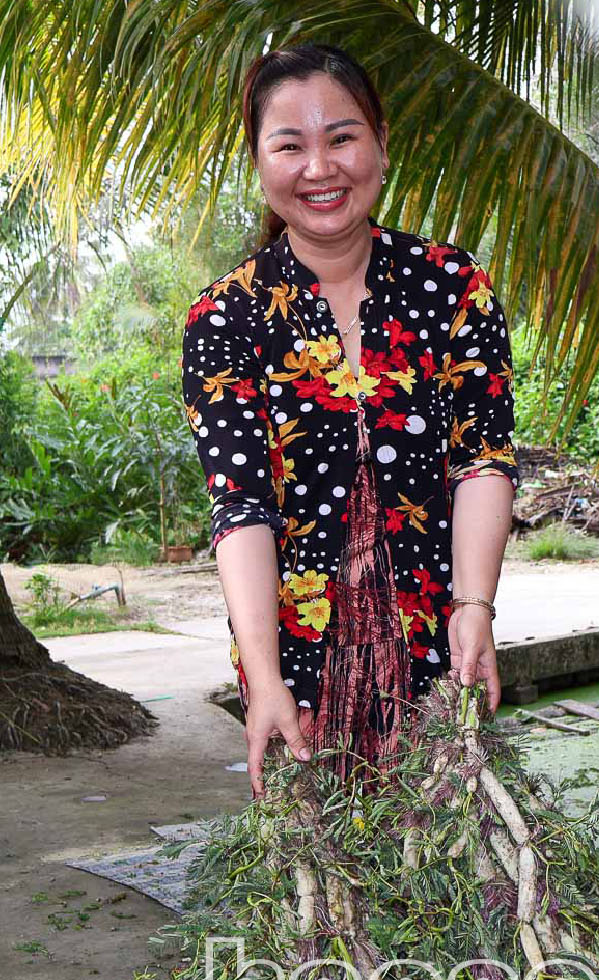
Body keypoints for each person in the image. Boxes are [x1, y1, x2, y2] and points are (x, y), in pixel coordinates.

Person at [182, 44, 518, 796]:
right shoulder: (225, 317)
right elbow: (239, 506)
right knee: (319, 877)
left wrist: (475, 607)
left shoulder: (452, 286)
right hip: (296, 659)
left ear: (381, 142)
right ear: (259, 162)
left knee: (446, 864)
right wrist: (262, 676)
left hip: (439, 641)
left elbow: (482, 460)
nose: (320, 168)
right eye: (289, 145)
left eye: (341, 137)